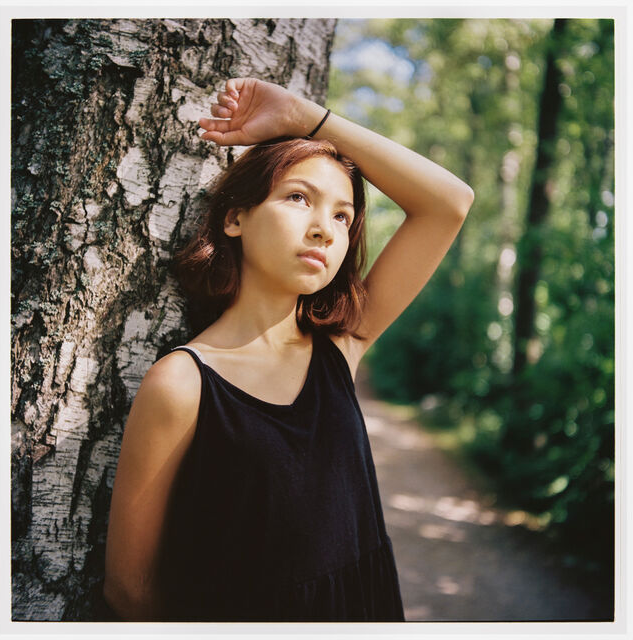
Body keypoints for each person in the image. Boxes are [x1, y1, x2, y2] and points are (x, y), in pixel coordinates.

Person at [103, 77, 474, 622]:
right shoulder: (181, 385)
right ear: (236, 217)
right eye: (299, 198)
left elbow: (450, 203)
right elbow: (130, 590)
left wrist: (306, 117)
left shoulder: (341, 347)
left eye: (343, 215)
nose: (325, 229)